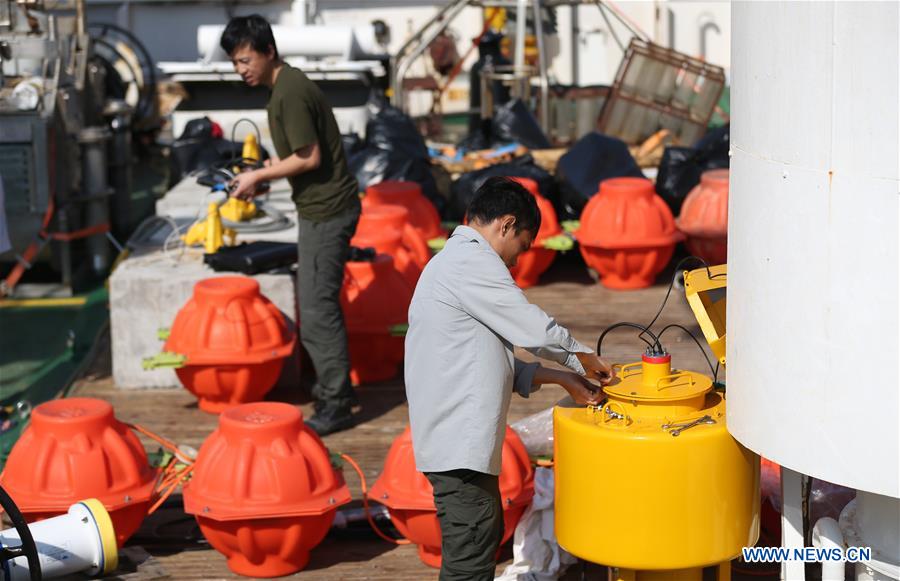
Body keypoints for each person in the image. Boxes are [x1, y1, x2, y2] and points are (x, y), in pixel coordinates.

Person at [405, 177, 615, 580]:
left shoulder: (453, 264)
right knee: (471, 553)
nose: (516, 262)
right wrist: (582, 358)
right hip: (456, 445)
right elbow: (532, 329)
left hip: (455, 443)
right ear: (506, 224)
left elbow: (479, 358)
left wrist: (561, 378)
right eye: (522, 245)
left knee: (482, 532)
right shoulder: (471, 263)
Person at [221, 15, 360, 436]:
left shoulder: (290, 92)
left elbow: (309, 157)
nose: (240, 69)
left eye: (246, 60)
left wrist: (260, 176)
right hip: (320, 208)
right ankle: (332, 388)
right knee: (316, 304)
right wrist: (261, 177)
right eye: (235, 62)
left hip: (327, 212)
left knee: (317, 310)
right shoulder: (285, 86)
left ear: (269, 52)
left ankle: (336, 402)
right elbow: (300, 158)